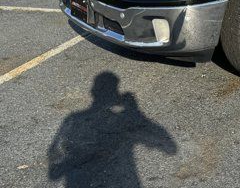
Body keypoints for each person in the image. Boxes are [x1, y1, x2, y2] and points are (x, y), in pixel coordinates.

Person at [48, 71, 177, 187]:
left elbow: (54, 171)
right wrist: (136, 113)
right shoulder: (124, 121)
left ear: (93, 92)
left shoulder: (72, 120)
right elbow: (170, 147)